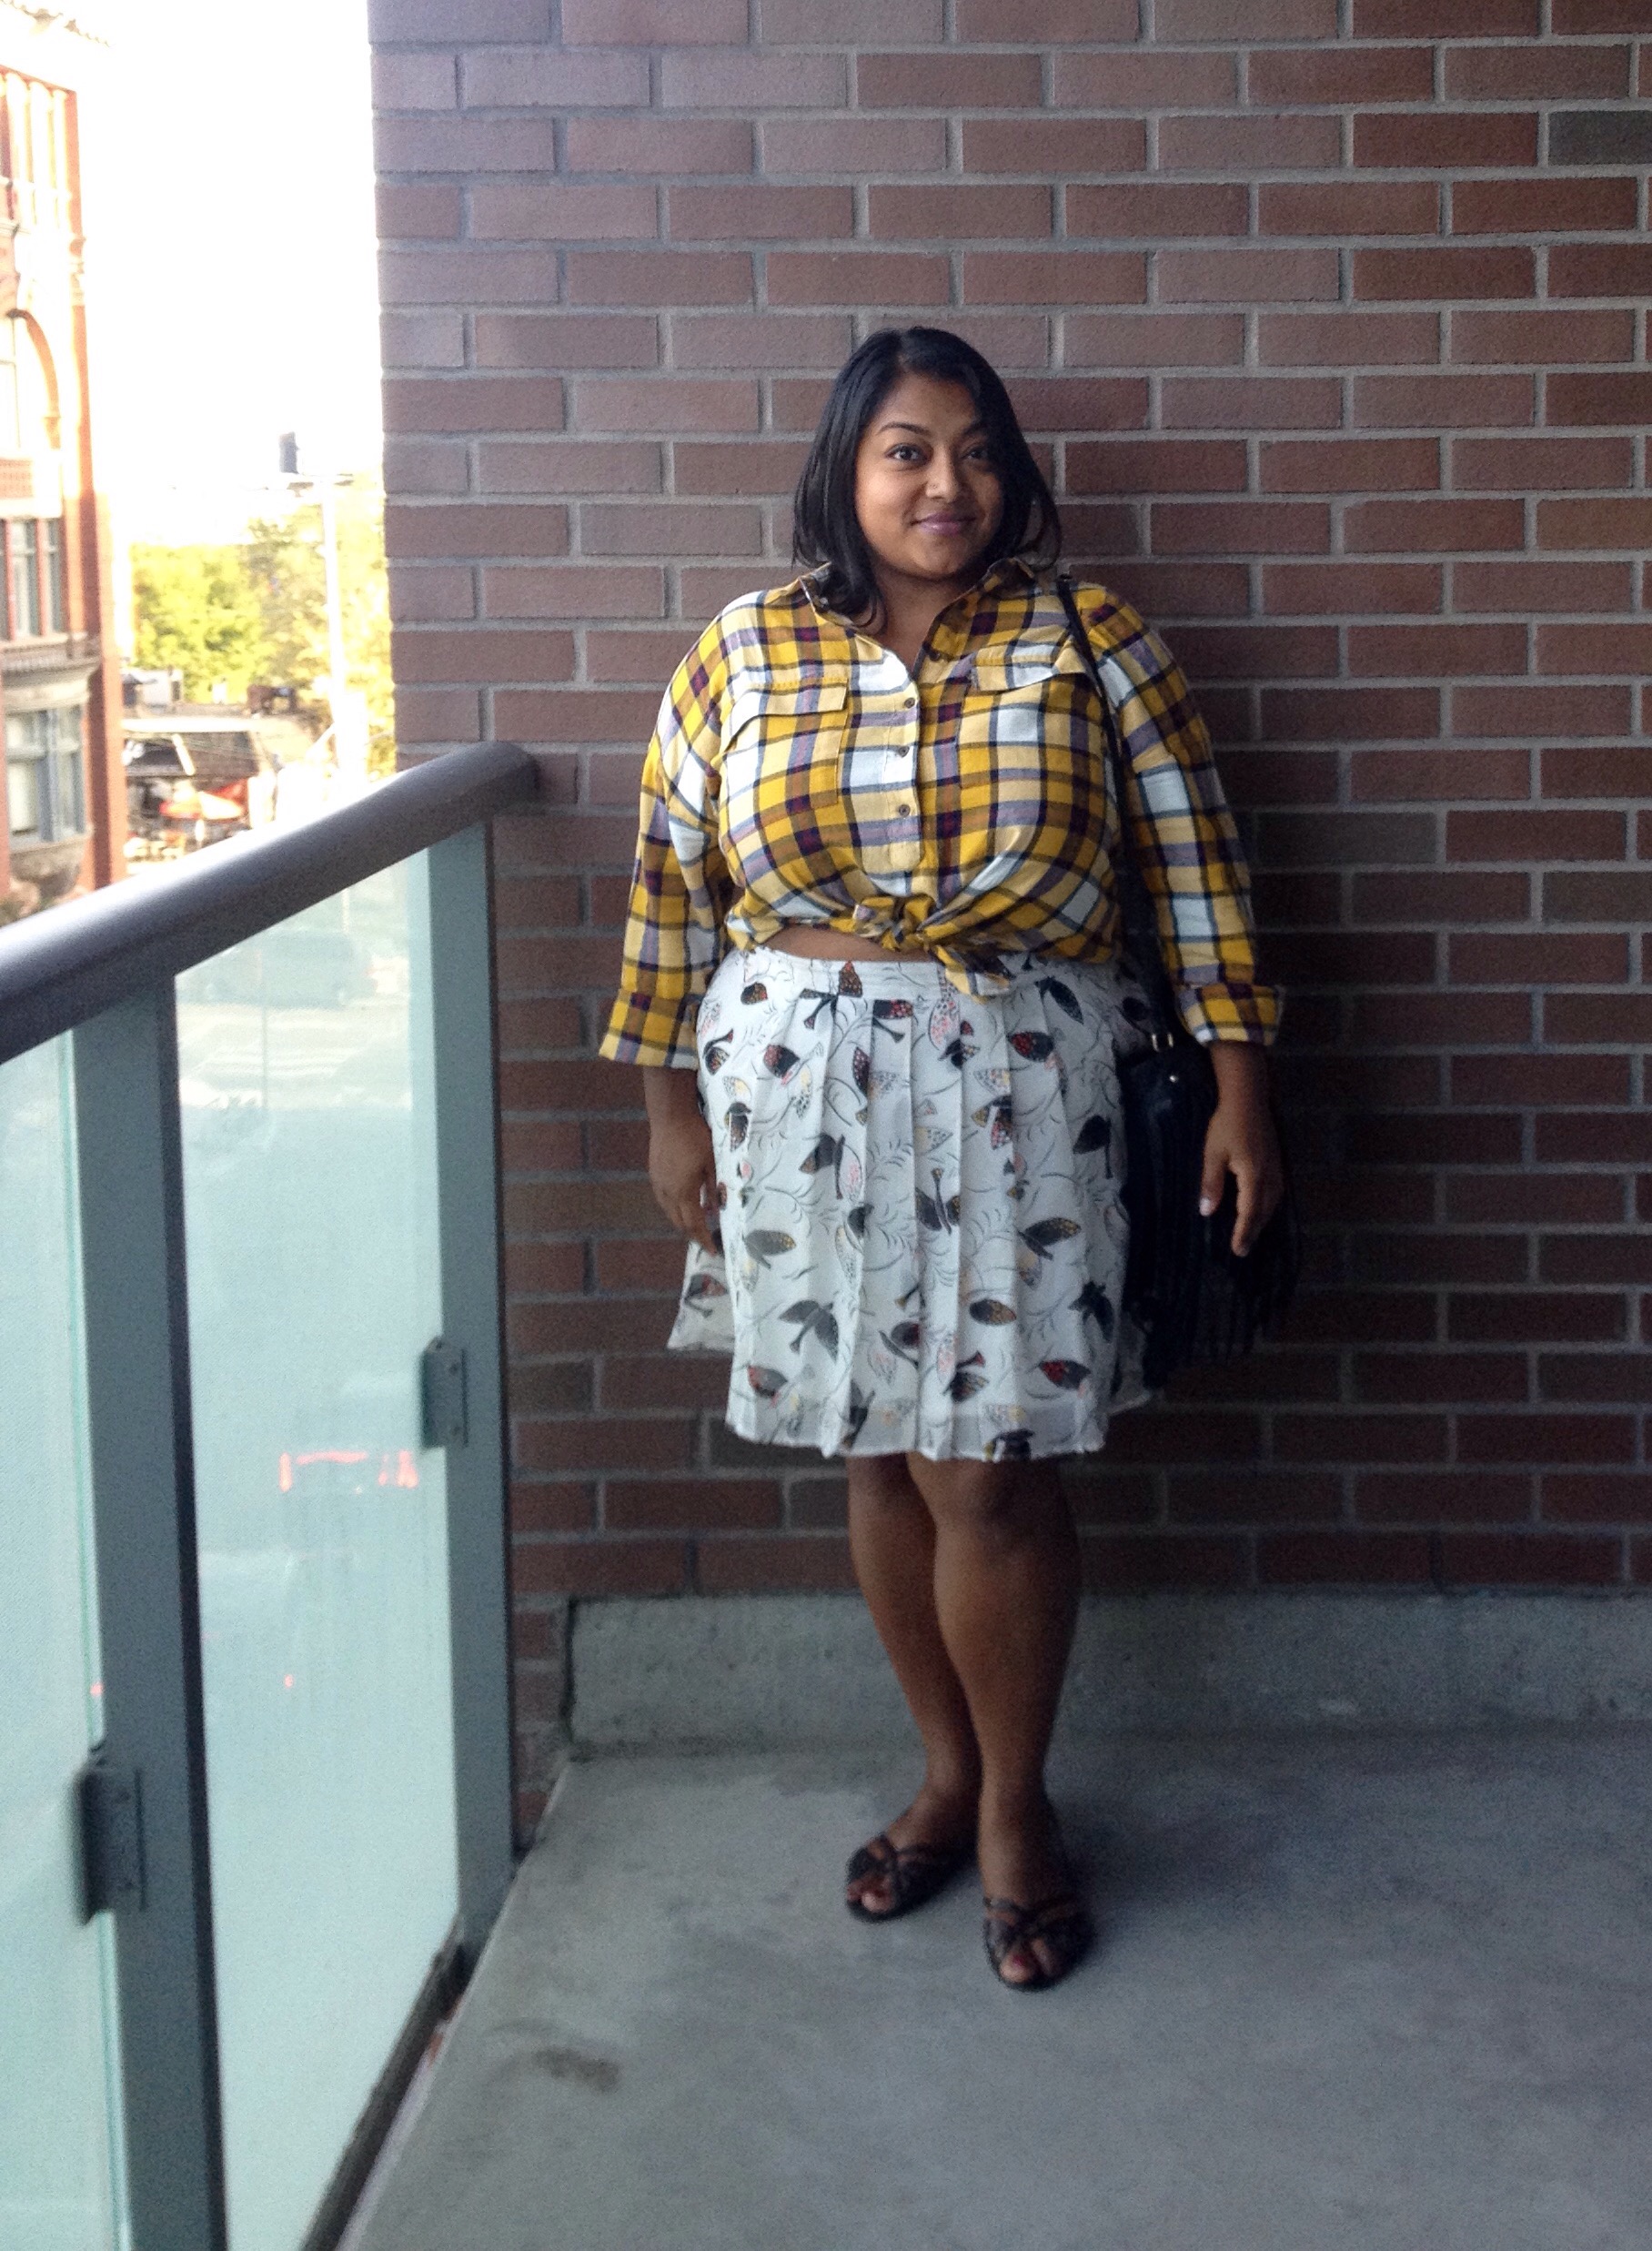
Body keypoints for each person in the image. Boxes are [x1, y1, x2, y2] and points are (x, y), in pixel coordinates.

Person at [599, 327, 1283, 1993]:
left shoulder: (1093, 640)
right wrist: (667, 1108)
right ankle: (946, 1771)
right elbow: (671, 888)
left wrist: (1246, 1092)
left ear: (1013, 473)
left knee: (990, 1464)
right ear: (847, 468)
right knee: (875, 1453)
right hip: (793, 1089)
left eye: (977, 451)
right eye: (906, 449)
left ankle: (1018, 1807)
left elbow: (1199, 878)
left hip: (1023, 1085)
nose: (945, 484)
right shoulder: (743, 650)